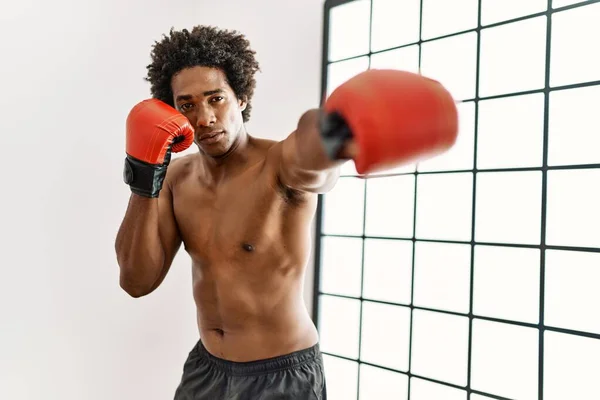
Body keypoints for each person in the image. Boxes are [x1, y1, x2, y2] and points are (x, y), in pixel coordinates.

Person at [115, 25, 458, 400]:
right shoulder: (175, 179)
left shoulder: (278, 166)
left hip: (281, 377)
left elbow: (310, 158)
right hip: (207, 370)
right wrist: (143, 176)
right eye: (188, 105)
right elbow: (137, 281)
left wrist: (336, 132)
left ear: (242, 97)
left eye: (216, 99)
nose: (205, 118)